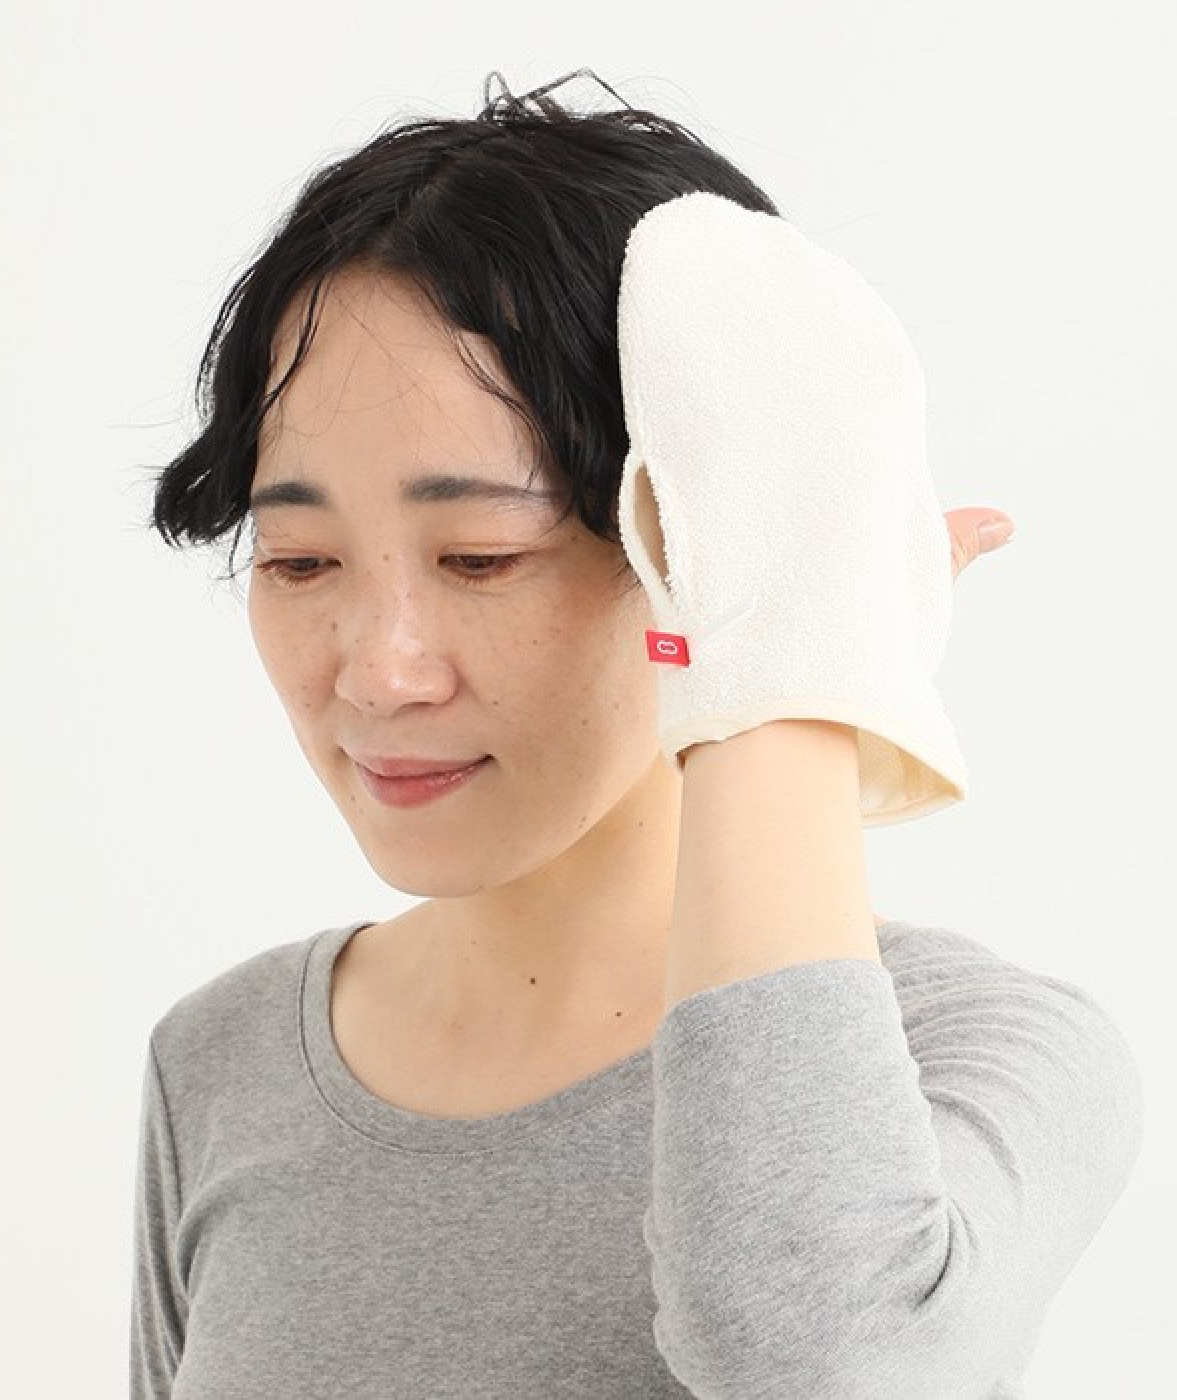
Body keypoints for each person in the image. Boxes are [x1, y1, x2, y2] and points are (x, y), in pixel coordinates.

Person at [131, 69, 1141, 1398]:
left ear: (687, 548)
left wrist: (795, 645)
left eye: (482, 557)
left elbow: (820, 1362)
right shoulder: (221, 1063)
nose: (378, 675)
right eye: (300, 560)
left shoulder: (984, 1056)